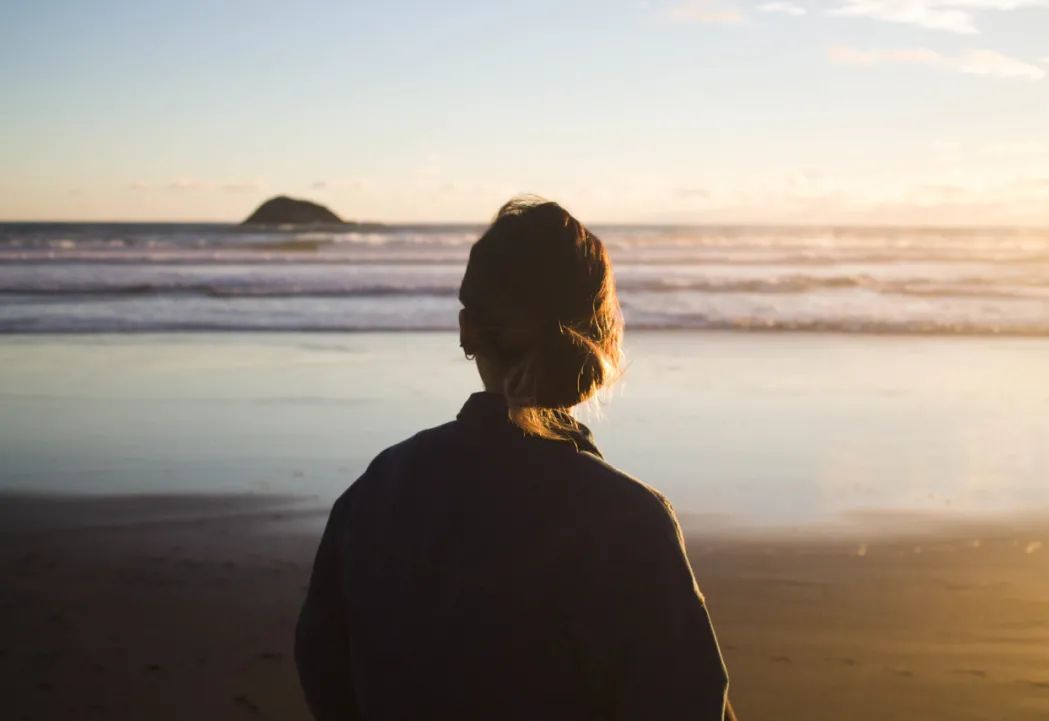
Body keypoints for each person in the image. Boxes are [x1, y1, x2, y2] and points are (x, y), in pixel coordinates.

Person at [295, 197, 734, 720]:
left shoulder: (381, 486)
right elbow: (691, 704)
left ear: (467, 330)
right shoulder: (629, 519)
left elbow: (324, 665)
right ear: (600, 334)